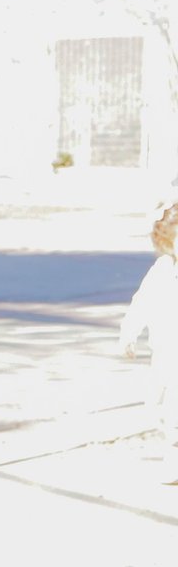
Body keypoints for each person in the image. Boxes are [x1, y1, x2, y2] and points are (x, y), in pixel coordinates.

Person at [118, 195, 178, 483]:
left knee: (174, 410)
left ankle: (174, 458)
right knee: (155, 405)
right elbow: (142, 301)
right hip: (165, 351)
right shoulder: (162, 269)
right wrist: (129, 332)